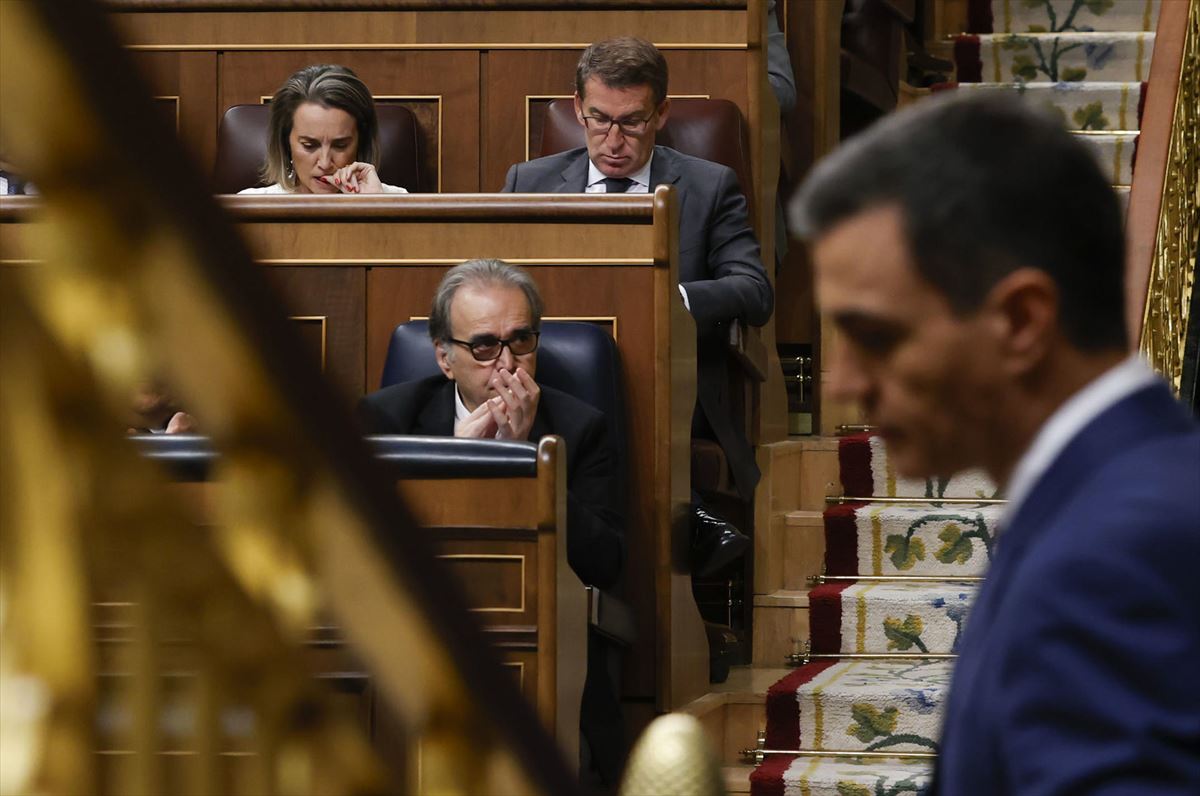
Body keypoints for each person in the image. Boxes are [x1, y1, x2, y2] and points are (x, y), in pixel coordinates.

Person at [791, 91, 1200, 794]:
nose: (843, 382)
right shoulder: (1116, 494)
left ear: (1021, 321)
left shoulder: (1112, 552)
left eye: (877, 337)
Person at [357, 259, 627, 785]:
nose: (505, 364)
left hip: (536, 652)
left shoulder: (579, 429)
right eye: (483, 346)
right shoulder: (387, 421)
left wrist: (527, 464)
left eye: (520, 341)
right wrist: (450, 464)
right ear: (444, 357)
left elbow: (607, 563)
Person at [501, 36, 773, 508]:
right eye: (599, 119)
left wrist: (675, 299)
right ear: (577, 109)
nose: (613, 140)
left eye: (631, 122)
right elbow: (492, 282)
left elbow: (753, 289)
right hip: (552, 375)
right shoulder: (529, 183)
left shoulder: (709, 187)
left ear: (661, 114)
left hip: (667, 385)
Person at [240, 64, 408, 195]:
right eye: (309, 145)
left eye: (340, 145)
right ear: (286, 143)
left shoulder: (394, 200)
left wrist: (376, 211)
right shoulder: (248, 207)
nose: (325, 163)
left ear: (361, 143)